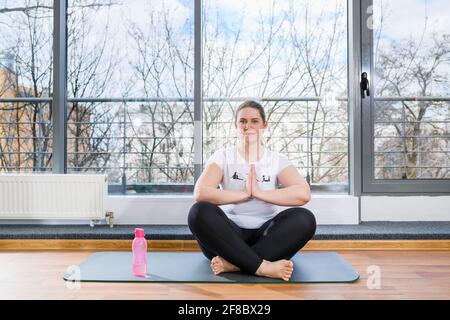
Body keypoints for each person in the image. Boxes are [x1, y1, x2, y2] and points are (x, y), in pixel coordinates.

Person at [188, 100, 316, 281]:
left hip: (266, 237)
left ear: (265, 124)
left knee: (305, 219)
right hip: (227, 237)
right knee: (198, 212)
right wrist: (243, 195)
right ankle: (262, 266)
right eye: (242, 121)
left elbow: (303, 194)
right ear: (236, 125)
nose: (248, 126)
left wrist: (259, 194)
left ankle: (233, 263)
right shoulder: (223, 156)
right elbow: (201, 193)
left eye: (254, 121)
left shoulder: (276, 159)